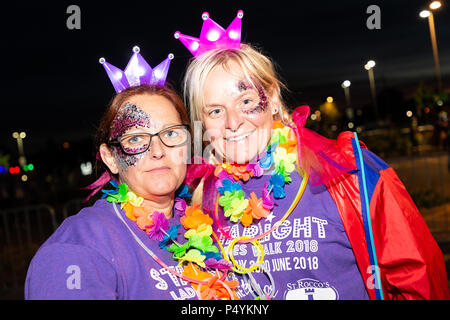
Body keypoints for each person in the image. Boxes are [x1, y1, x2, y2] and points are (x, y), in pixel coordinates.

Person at [176, 10, 450, 300]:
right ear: (202, 121)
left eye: (246, 101)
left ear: (272, 99)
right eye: (216, 111)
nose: (233, 122)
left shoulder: (347, 170)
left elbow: (420, 282)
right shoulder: (200, 199)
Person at [25, 48, 218, 299]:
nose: (158, 151)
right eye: (136, 138)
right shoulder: (81, 244)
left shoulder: (204, 225)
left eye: (171, 134)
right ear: (110, 158)